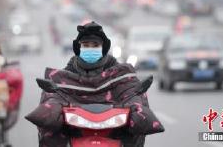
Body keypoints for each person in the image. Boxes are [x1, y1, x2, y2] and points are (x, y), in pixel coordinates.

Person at [26, 21, 164, 147]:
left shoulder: (120, 74)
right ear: (79, 48)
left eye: (95, 45)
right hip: (74, 132)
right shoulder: (64, 78)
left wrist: (134, 106)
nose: (90, 49)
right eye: (86, 45)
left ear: (103, 48)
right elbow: (55, 96)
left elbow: (130, 93)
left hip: (114, 131)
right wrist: (53, 107)